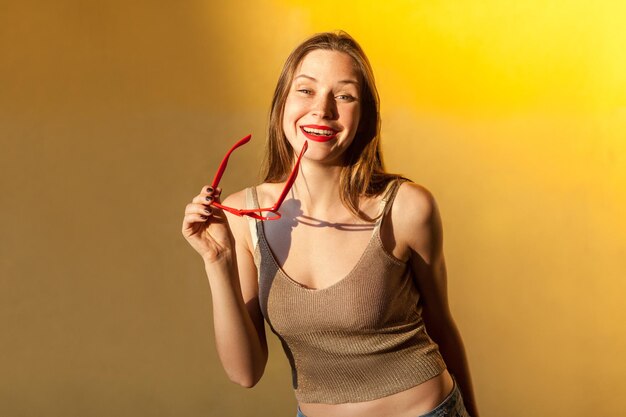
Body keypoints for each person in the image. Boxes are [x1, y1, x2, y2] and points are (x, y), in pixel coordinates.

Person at [182, 31, 478, 417]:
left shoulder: (406, 208)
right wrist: (217, 261)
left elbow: (442, 326)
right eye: (306, 90)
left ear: (365, 115)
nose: (322, 109)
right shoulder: (243, 217)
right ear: (281, 105)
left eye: (344, 95)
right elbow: (245, 372)